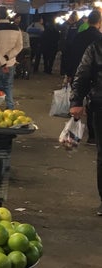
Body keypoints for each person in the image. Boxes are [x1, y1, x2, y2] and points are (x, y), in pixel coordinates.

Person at [69, 15, 102, 215]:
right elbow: (83, 74)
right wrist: (76, 101)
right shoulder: (96, 47)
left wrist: (76, 101)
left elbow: (82, 74)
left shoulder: (96, 46)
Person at [66, 11, 102, 145]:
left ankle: (92, 135)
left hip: (97, 97)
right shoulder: (97, 42)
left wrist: (77, 101)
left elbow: (81, 71)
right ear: (99, 22)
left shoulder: (82, 37)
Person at [0, 6, 23, 110]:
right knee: (8, 87)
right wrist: (7, 57)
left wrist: (2, 62)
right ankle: (10, 109)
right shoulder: (16, 29)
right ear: (7, 15)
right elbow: (19, 46)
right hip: (10, 63)